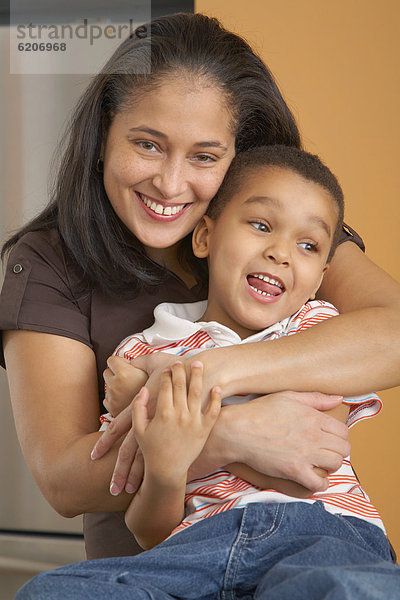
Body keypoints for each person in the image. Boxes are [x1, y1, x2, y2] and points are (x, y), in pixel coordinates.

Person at [1, 13, 400, 562]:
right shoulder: (49, 261)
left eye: (205, 157)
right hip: (153, 567)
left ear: (242, 156)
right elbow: (63, 479)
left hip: (307, 548)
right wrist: (228, 435)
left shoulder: (284, 233)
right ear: (102, 139)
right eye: (147, 145)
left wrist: (202, 374)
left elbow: (393, 336)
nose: (169, 183)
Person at [15, 146, 400, 599]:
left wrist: (172, 413)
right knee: (53, 592)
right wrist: (166, 460)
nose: (280, 253)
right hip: (193, 549)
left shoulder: (318, 328)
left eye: (308, 245)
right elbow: (149, 531)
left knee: (345, 588)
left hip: (320, 534)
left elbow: (308, 464)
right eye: (261, 226)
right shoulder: (145, 349)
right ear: (204, 238)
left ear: (319, 278)